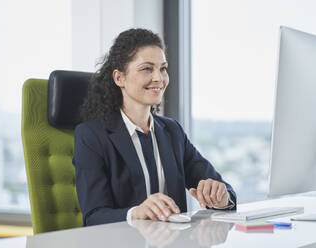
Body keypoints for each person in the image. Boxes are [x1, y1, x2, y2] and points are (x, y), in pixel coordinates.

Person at [73, 28, 236, 226]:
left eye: (163, 68)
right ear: (119, 78)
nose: (159, 77)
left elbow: (225, 191)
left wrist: (220, 197)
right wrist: (136, 213)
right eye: (147, 69)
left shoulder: (172, 131)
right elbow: (94, 216)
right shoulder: (92, 136)